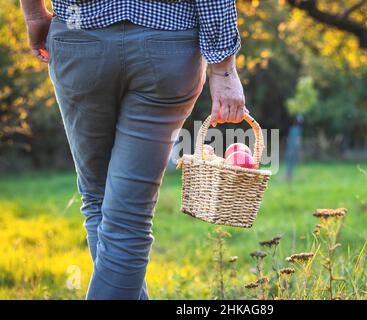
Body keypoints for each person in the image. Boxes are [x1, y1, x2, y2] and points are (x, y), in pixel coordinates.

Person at [20, 0, 247, 300]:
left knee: (101, 202)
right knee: (125, 214)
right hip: (166, 44)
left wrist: (34, 13)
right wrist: (224, 69)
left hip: (80, 37)